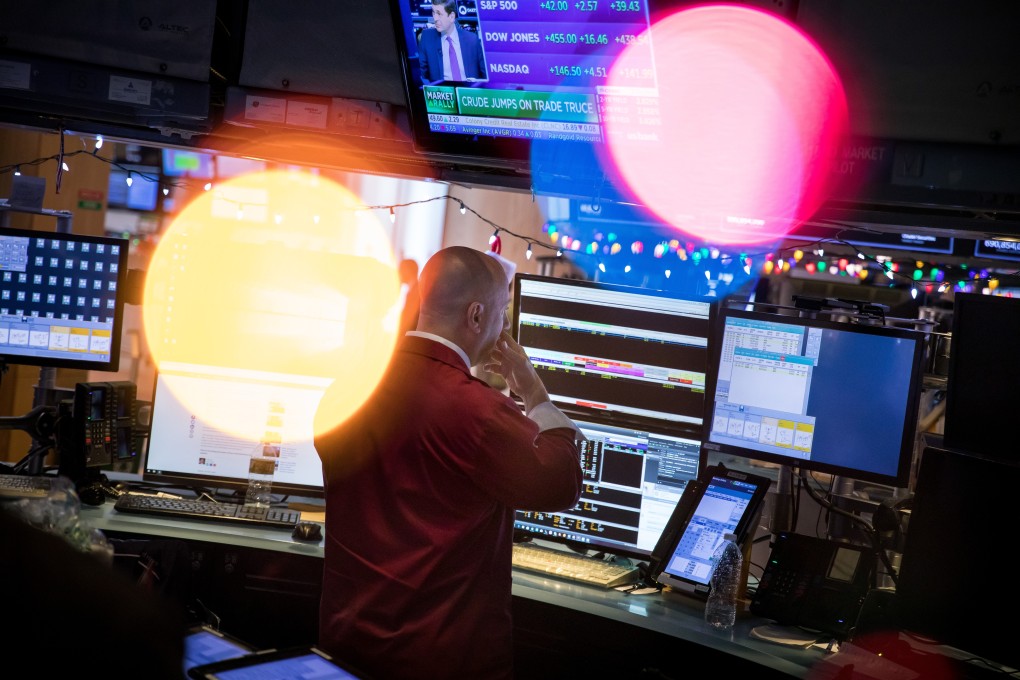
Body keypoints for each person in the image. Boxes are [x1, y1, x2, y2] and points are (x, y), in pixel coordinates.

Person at [314, 246, 583, 680]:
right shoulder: (479, 412)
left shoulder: (345, 391)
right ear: (476, 316)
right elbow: (561, 481)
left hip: (345, 650)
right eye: (502, 315)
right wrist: (535, 393)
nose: (504, 328)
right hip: (441, 661)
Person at [418, 0, 488, 83]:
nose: (435, 18)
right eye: (433, 13)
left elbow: (485, 76)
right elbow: (422, 76)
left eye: (439, 14)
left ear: (451, 16)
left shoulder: (472, 40)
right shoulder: (427, 38)